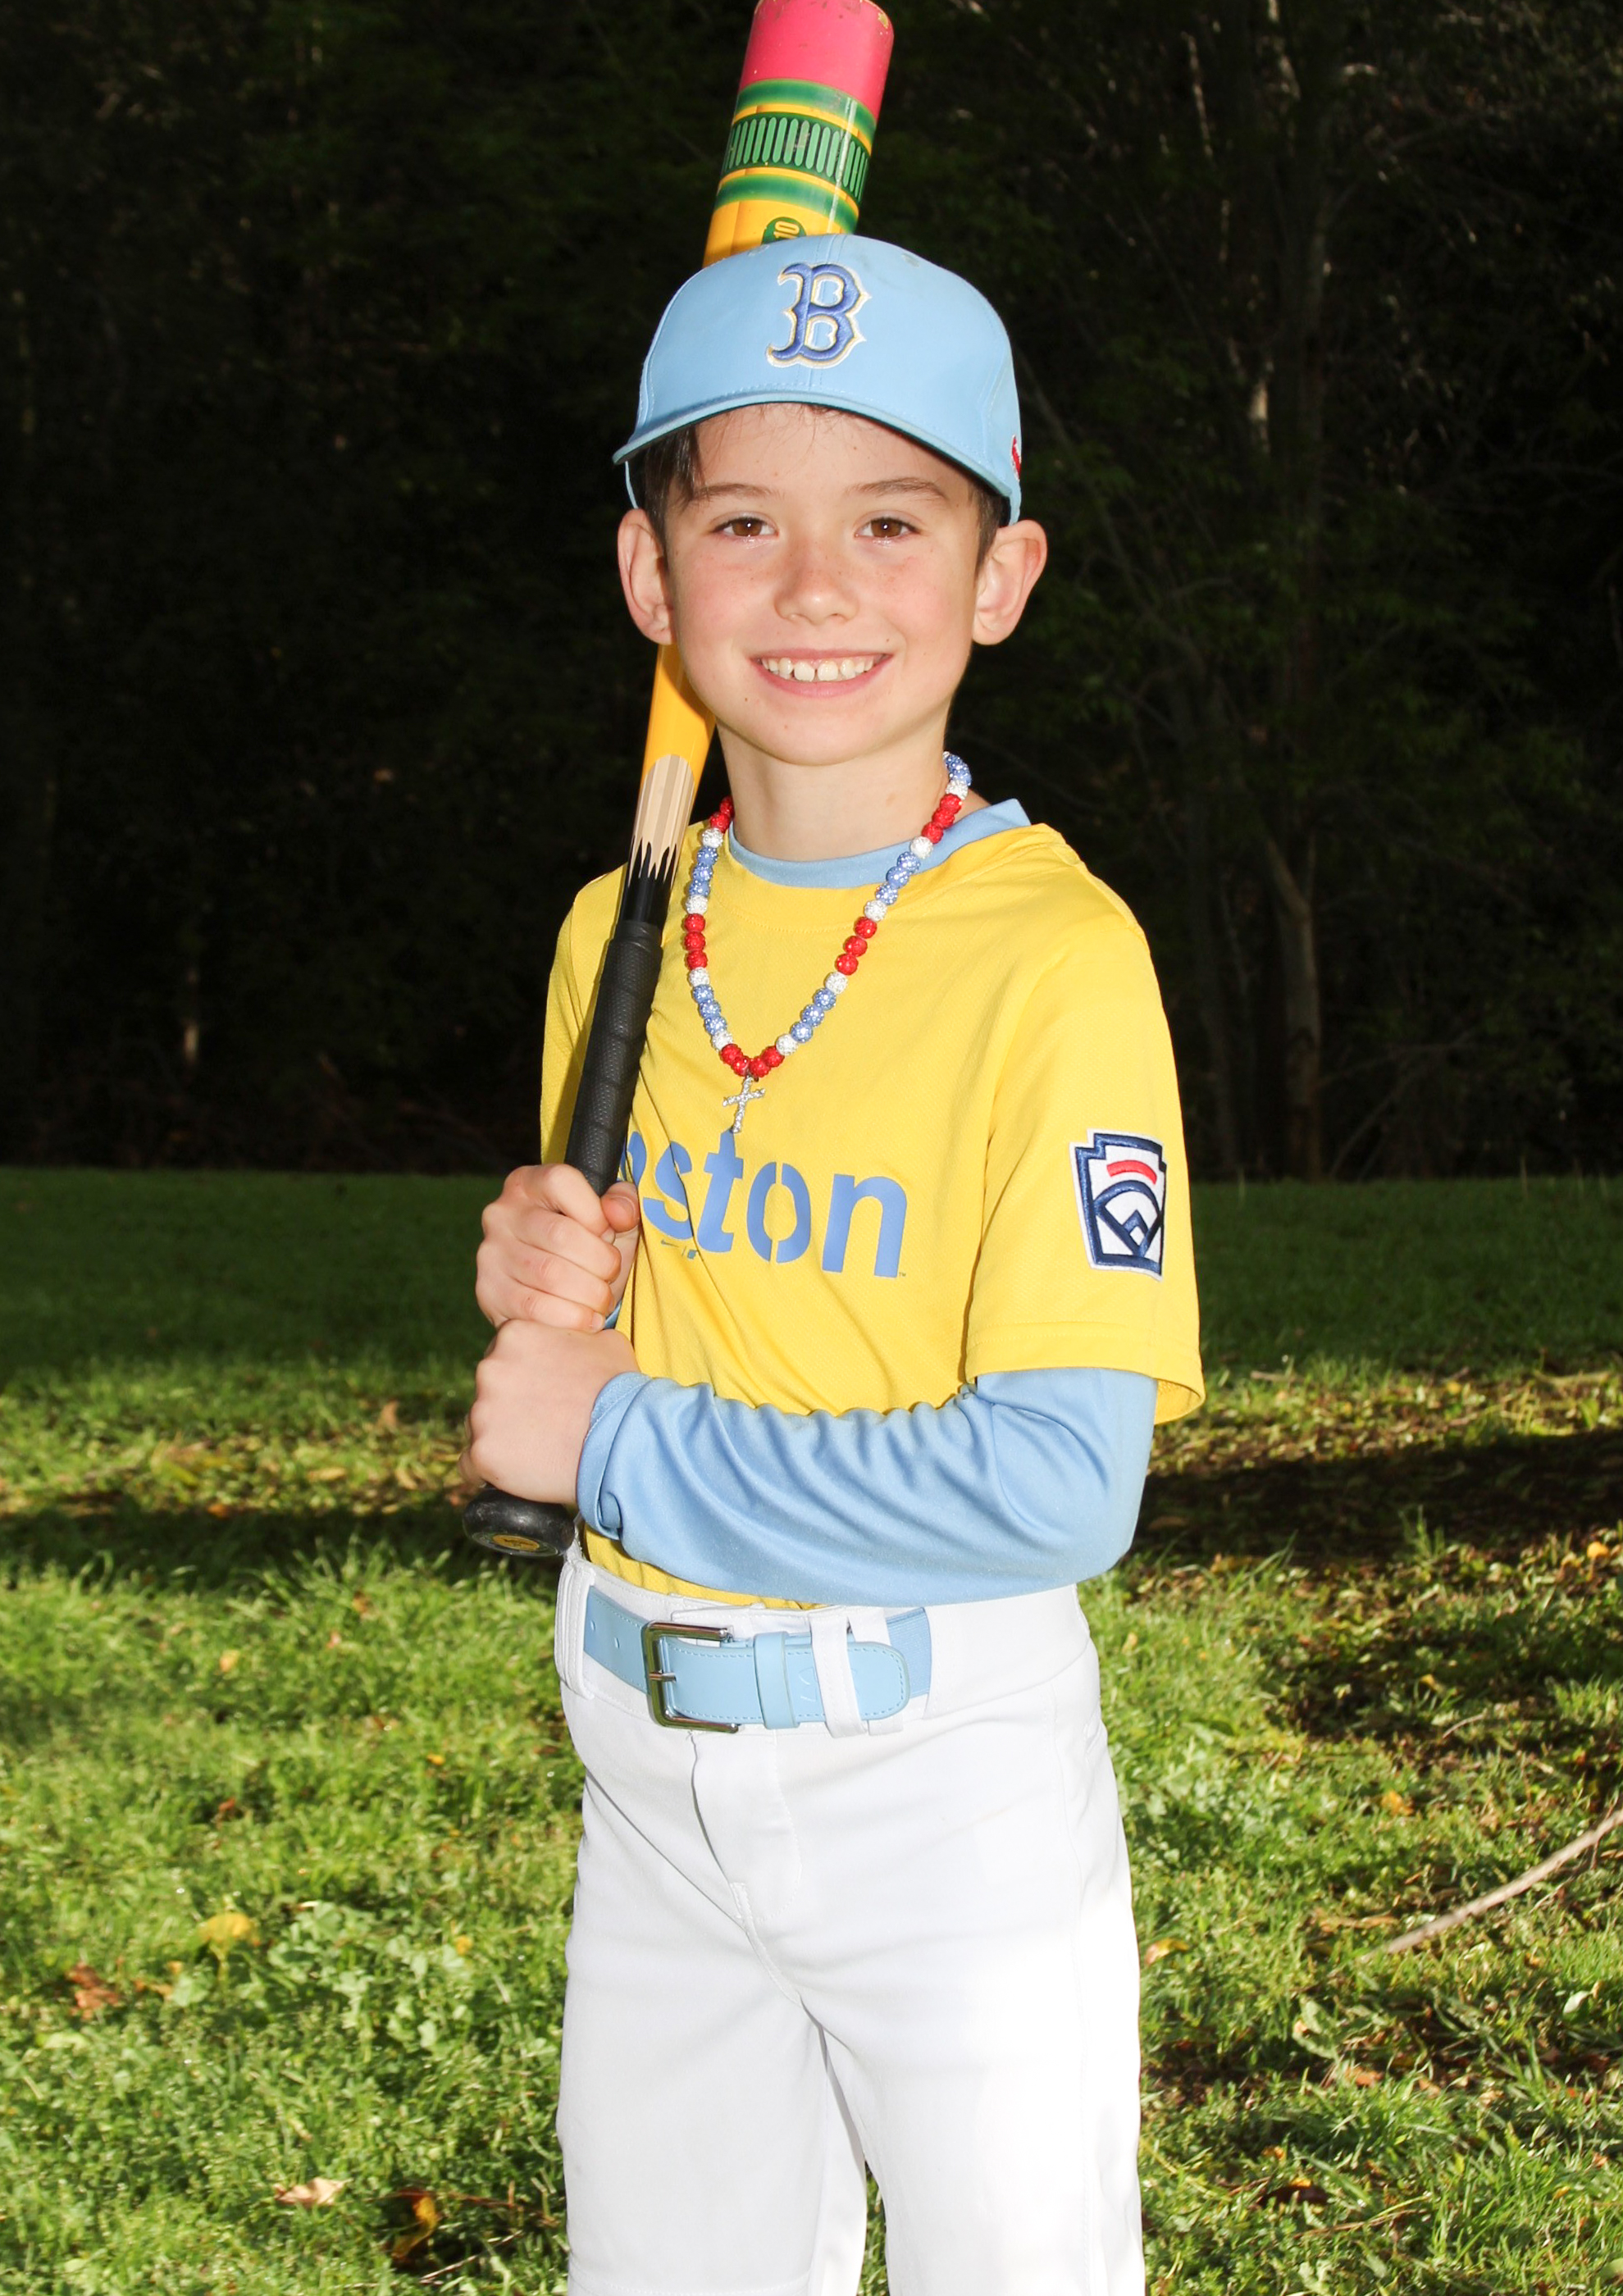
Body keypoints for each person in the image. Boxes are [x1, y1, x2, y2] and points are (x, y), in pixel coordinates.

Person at [462, 235, 1203, 2296]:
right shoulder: (616, 931)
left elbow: (1060, 1482)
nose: (812, 587)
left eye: (889, 522)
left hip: (939, 1779)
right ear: (650, 575)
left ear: (999, 575)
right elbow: (618, 1328)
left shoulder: (1056, 959)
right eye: (742, 523)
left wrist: (616, 1435)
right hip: (645, 1768)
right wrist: (552, 1279)